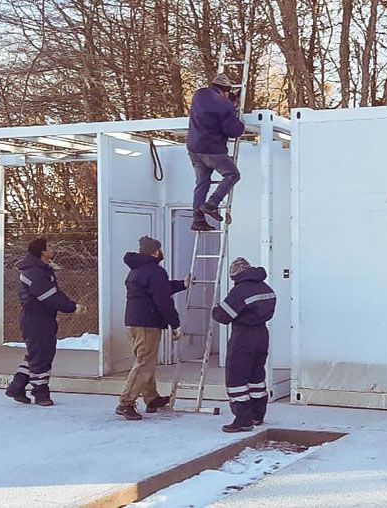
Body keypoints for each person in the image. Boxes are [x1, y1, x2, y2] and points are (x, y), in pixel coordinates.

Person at [115, 236, 190, 421]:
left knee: (145, 361)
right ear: (155, 252)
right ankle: (126, 403)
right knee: (144, 363)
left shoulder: (137, 269)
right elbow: (162, 299)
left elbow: (159, 289)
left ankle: (152, 398)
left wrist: (181, 284)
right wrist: (176, 323)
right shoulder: (155, 271)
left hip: (134, 322)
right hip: (147, 323)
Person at [5, 238, 85, 406]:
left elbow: (54, 293)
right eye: (49, 247)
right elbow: (49, 296)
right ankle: (41, 393)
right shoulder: (36, 272)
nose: (53, 249)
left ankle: (17, 387)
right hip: (37, 320)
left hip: (38, 318)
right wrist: (71, 307)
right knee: (42, 356)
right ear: (42, 252)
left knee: (35, 355)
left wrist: (70, 304)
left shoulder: (38, 270)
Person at [212, 257, 276, 433]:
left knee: (236, 379)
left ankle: (243, 419)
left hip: (243, 337)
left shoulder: (240, 291)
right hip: (262, 335)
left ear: (236, 275)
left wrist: (215, 310)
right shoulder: (266, 288)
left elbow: (223, 316)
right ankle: (257, 414)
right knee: (256, 376)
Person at [186, 73, 245, 232]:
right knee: (232, 175)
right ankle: (212, 204)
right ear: (226, 91)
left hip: (194, 148)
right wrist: (238, 119)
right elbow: (234, 131)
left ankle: (197, 219)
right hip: (212, 150)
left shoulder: (198, 95)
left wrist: (228, 105)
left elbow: (210, 111)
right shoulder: (225, 105)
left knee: (202, 183)